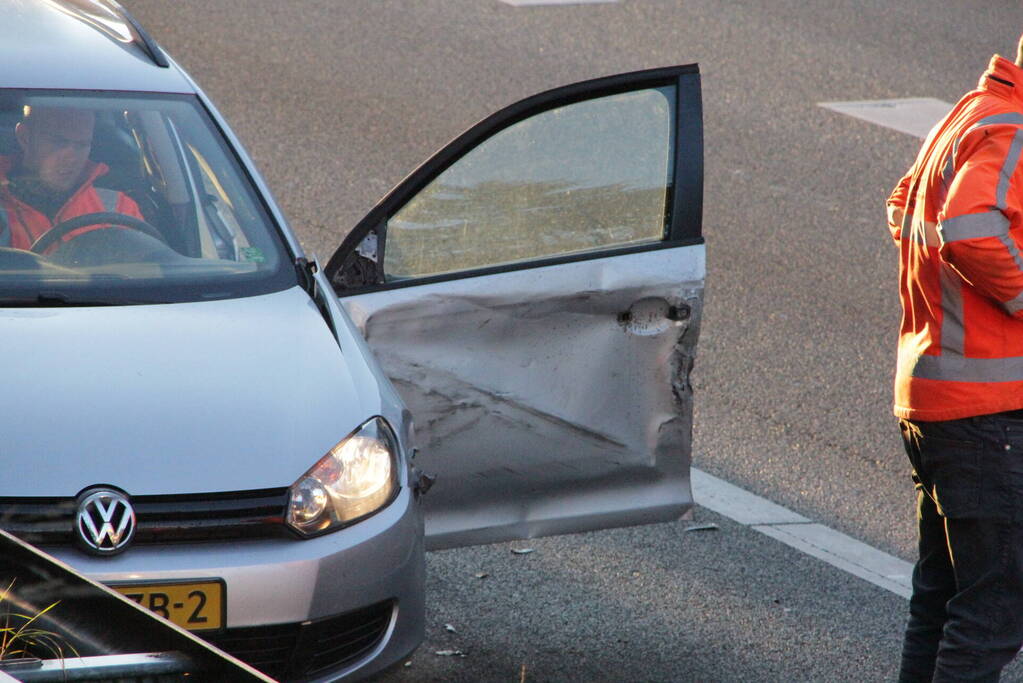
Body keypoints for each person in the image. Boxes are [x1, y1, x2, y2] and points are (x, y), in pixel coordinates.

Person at [886, 35, 1023, 682]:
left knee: (941, 605)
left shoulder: (969, 113)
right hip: (983, 418)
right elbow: (968, 229)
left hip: (936, 400)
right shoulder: (1011, 131)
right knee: (993, 612)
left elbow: (901, 206)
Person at [0, 105, 142, 251]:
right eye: (58, 143)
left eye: (82, 145)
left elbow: (148, 267)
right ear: (25, 138)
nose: (71, 158)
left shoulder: (118, 209)